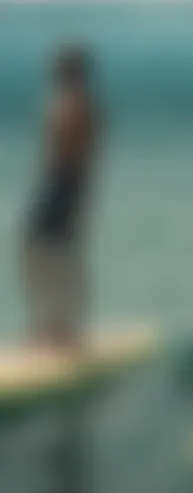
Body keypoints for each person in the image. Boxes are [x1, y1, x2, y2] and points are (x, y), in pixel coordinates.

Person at [22, 43, 101, 351]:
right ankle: (55, 325)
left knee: (47, 249)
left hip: (63, 183)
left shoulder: (74, 103)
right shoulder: (78, 103)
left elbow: (67, 151)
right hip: (66, 183)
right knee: (51, 250)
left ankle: (60, 328)